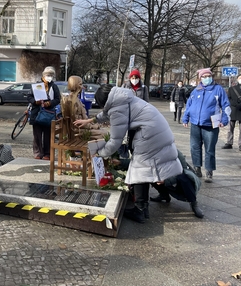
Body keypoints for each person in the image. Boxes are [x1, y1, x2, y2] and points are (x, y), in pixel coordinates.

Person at [74, 85, 182, 223]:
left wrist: (99, 153)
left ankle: (140, 210)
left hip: (150, 135)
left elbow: (115, 141)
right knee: (145, 169)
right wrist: (90, 121)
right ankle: (144, 208)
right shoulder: (121, 98)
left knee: (140, 169)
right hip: (156, 130)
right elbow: (107, 113)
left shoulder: (117, 108)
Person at [182, 68, 230, 183]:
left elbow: (226, 105)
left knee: (209, 149)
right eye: (204, 76)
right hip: (195, 123)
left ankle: (209, 171)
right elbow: (189, 105)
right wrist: (185, 118)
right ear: (200, 78)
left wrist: (224, 119)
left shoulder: (218, 89)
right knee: (194, 147)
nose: (206, 78)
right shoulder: (196, 90)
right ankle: (197, 168)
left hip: (211, 125)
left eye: (208, 76)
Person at [150, 150, 204, 218]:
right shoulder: (153, 153)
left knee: (184, 178)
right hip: (165, 178)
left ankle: (194, 204)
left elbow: (182, 172)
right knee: (149, 174)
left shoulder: (176, 153)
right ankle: (163, 195)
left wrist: (166, 181)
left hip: (179, 181)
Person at [27, 66, 61, 160]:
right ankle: (38, 153)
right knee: (37, 135)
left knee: (48, 135)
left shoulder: (54, 86)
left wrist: (49, 103)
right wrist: (35, 101)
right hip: (37, 113)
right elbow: (29, 97)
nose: (49, 76)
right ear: (43, 75)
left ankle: (47, 153)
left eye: (51, 75)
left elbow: (58, 99)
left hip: (48, 113)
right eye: (48, 75)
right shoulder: (37, 85)